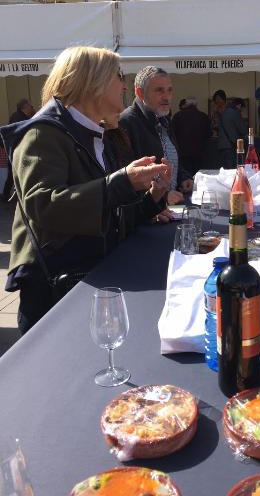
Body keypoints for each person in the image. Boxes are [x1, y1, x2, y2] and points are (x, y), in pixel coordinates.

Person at [0, 46, 170, 334]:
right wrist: (122, 182)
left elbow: (109, 214)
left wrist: (152, 198)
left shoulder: (97, 134)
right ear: (94, 81)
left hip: (91, 281)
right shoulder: (43, 133)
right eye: (118, 76)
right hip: (57, 294)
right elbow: (44, 206)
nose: (125, 85)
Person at [119, 67, 194, 205]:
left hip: (172, 209)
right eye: (159, 90)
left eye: (169, 90)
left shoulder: (164, 119)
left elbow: (172, 159)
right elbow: (124, 180)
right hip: (146, 217)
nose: (166, 97)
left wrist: (184, 177)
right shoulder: (126, 122)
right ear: (140, 93)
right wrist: (163, 197)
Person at [2, 99, 36, 200]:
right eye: (30, 106)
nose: (32, 107)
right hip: (18, 149)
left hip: (13, 149)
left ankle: (6, 195)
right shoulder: (21, 119)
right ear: (24, 107)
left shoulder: (15, 116)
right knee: (17, 173)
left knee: (13, 175)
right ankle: (13, 196)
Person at [171, 98, 211, 174]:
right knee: (198, 175)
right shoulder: (203, 116)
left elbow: (172, 134)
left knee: (185, 176)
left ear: (185, 105)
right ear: (196, 105)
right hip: (199, 152)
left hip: (183, 152)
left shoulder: (177, 116)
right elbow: (208, 134)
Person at [215, 93, 247, 168]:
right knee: (233, 170)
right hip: (231, 146)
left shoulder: (222, 112)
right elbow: (243, 130)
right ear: (239, 105)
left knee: (226, 170)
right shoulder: (234, 112)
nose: (241, 111)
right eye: (242, 109)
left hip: (222, 146)